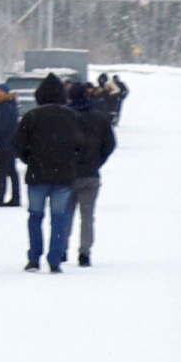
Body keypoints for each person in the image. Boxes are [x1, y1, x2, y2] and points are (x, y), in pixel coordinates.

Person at [12, 73, 86, 273]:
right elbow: (82, 145)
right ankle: (54, 259)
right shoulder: (73, 117)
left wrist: (31, 159)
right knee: (59, 218)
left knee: (35, 216)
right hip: (64, 176)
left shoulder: (32, 116)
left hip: (37, 174)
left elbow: (18, 145)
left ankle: (34, 257)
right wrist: (71, 161)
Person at [66, 80, 116, 267]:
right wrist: (97, 161)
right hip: (91, 174)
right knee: (87, 216)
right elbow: (110, 144)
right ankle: (84, 252)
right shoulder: (100, 118)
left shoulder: (65, 117)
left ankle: (61, 248)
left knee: (65, 215)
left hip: (67, 173)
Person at [0, 86, 21, 206]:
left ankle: (0, 197)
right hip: (9, 143)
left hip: (4, 143)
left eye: (0, 91)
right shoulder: (10, 105)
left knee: (2, 171)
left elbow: (1, 126)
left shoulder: (5, 106)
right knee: (11, 171)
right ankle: (15, 197)